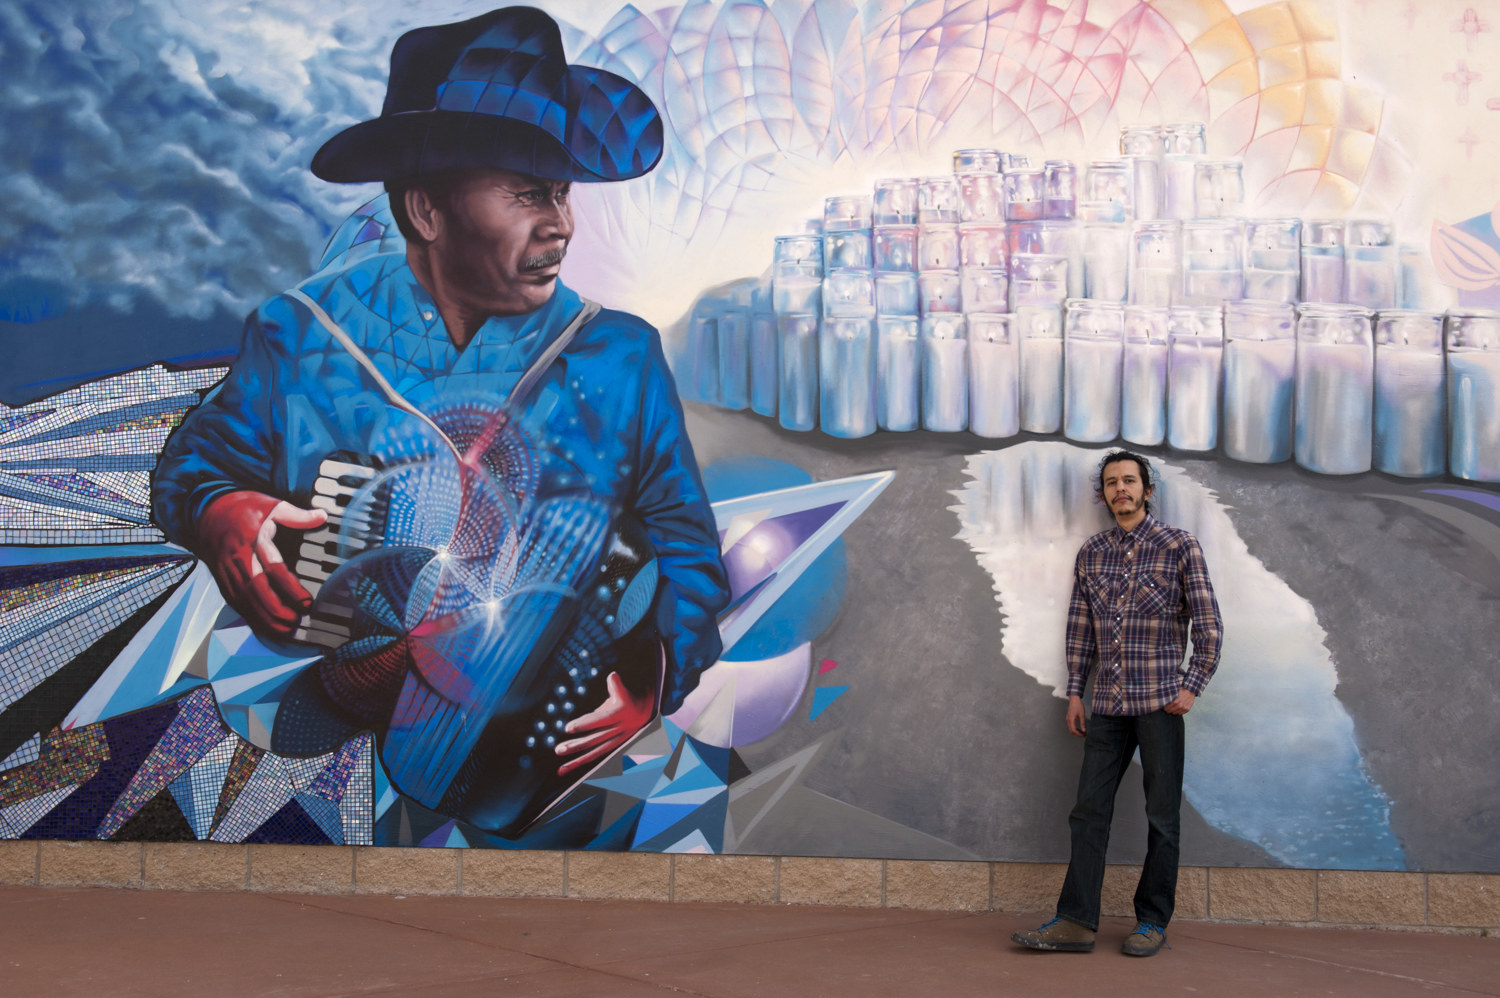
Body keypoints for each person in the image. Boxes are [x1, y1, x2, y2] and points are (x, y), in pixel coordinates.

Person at [151, 7, 729, 836]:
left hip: (544, 769)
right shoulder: (302, 334)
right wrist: (223, 513)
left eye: (560, 193)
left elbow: (686, 547)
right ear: (426, 211)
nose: (561, 223)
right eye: (528, 193)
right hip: (336, 750)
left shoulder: (620, 356)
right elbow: (196, 465)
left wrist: (656, 674)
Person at [1012, 450, 1222, 957]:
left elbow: (1209, 623)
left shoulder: (1179, 546)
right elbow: (1080, 627)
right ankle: (1076, 921)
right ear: (1104, 494)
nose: (1120, 489)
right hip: (1106, 704)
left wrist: (1192, 684)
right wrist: (1076, 691)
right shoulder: (1092, 553)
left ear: (1147, 490)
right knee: (1089, 812)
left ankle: (1151, 921)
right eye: (1111, 483)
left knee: (1162, 818)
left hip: (1160, 704)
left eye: (1129, 480)